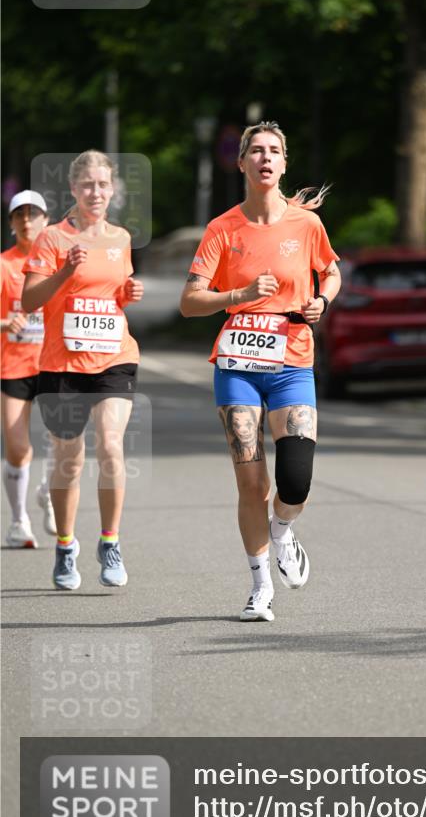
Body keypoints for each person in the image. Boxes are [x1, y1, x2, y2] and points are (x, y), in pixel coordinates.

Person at [180, 121, 341, 621]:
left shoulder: (306, 225)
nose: (265, 158)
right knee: (250, 484)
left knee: (295, 482)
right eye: (256, 151)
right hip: (238, 365)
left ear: (284, 163)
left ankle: (283, 529)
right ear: (242, 163)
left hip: (292, 359)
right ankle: (259, 585)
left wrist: (321, 300)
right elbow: (189, 302)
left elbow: (331, 270)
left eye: (274, 151)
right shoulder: (223, 229)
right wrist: (239, 296)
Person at [21, 150, 144, 590]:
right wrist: (64, 274)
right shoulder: (52, 239)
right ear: (73, 189)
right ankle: (66, 546)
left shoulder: (121, 238)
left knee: (111, 445)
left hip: (114, 356)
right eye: (87, 184)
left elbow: (112, 298)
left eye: (103, 184)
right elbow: (31, 301)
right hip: (62, 363)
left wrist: (129, 294)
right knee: (69, 461)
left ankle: (110, 541)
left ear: (113, 190)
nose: (96, 192)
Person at [1, 190, 56, 546]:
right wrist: (5, 324)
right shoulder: (4, 265)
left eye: (33, 214)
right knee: (18, 446)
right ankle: (19, 521)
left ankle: (48, 491)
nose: (26, 221)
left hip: (54, 362)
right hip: (14, 366)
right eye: (19, 215)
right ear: (11, 223)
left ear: (45, 221)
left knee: (63, 442)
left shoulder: (58, 262)